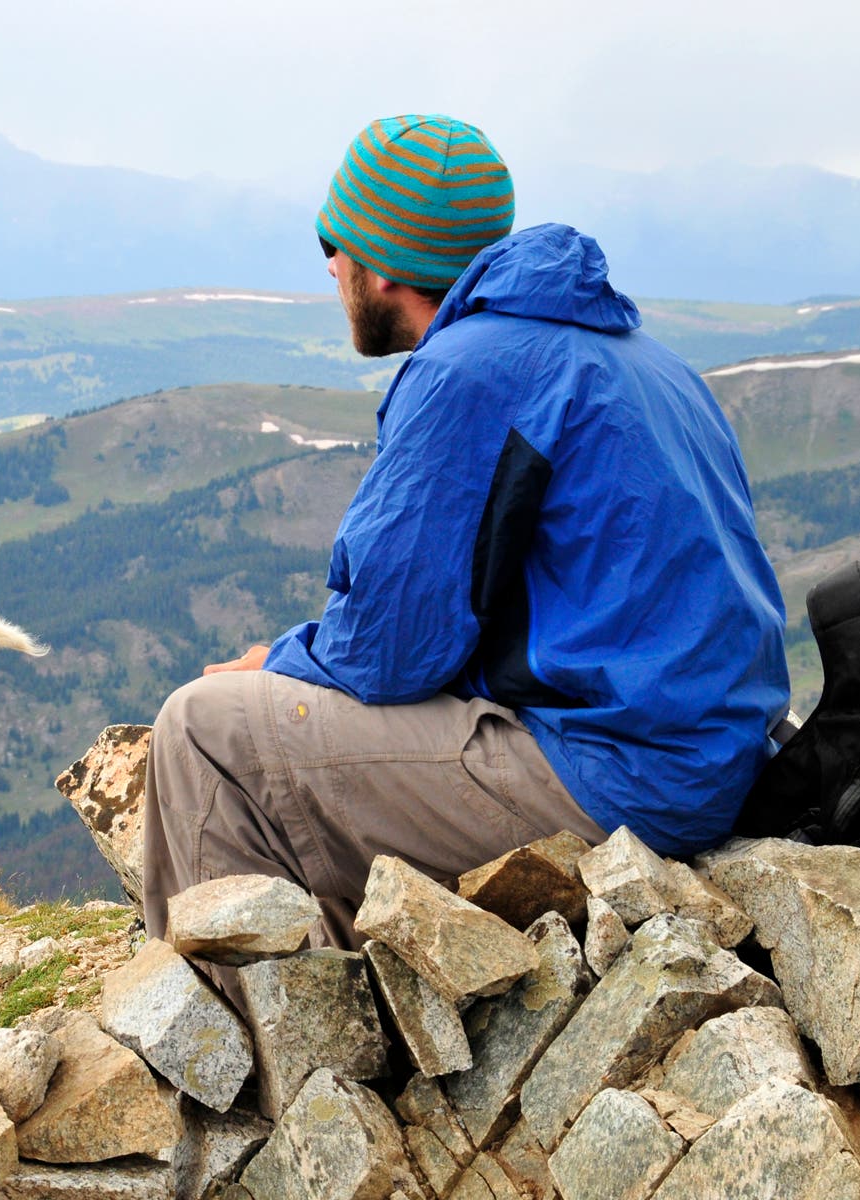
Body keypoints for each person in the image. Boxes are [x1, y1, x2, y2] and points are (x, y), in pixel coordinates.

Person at [141, 114, 790, 971]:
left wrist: (281, 661)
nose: (330, 266)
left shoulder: (469, 371)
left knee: (204, 733)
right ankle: (350, 993)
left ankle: (228, 1065)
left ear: (381, 261)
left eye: (332, 242)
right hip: (707, 755)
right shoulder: (641, 355)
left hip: (619, 775)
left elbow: (392, 649)